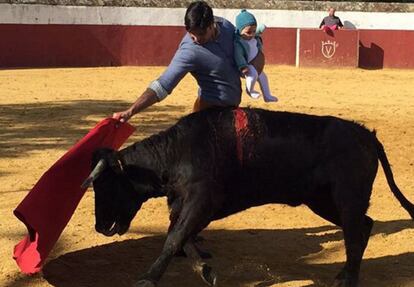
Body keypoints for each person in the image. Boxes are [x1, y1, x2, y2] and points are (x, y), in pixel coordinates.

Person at [113, 1, 264, 123]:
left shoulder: (226, 27)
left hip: (231, 113)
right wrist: (131, 111)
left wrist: (257, 59)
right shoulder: (189, 51)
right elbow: (163, 85)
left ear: (212, 24)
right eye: (192, 35)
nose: (196, 39)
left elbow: (245, 51)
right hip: (207, 117)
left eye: (201, 34)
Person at [234, 9, 278, 103]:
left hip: (256, 65)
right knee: (253, 74)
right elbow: (238, 55)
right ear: (239, 31)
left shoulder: (253, 36)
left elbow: (258, 30)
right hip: (247, 66)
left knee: (263, 77)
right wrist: (242, 66)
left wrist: (261, 28)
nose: (252, 34)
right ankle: (250, 90)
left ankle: (267, 96)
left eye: (254, 31)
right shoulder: (239, 43)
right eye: (248, 32)